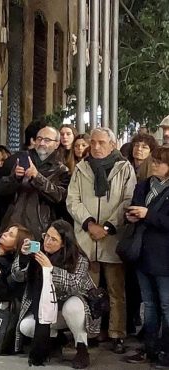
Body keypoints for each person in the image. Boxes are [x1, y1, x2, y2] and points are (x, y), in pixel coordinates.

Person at [66, 127, 136, 354]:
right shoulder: (81, 168)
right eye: (93, 142)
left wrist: (106, 227)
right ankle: (91, 332)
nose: (96, 147)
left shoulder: (124, 168)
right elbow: (72, 200)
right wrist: (89, 224)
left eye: (101, 143)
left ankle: (117, 333)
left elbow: (128, 200)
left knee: (116, 290)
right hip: (87, 237)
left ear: (113, 144)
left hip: (112, 237)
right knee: (89, 289)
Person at [12, 220, 98, 369]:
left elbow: (74, 285)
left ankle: (82, 347)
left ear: (64, 243)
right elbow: (17, 276)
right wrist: (23, 256)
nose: (47, 241)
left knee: (73, 307)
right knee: (26, 326)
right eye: (47, 236)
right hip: (47, 310)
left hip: (72, 307)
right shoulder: (37, 254)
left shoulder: (79, 259)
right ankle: (56, 341)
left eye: (54, 239)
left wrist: (50, 269)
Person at [124, 147, 169, 367]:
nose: (155, 165)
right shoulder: (143, 185)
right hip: (142, 252)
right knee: (149, 305)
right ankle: (150, 348)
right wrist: (131, 216)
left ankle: (166, 351)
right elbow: (134, 207)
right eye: (154, 161)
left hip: (164, 257)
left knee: (166, 306)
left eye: (160, 162)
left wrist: (148, 214)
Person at [0, 126, 71, 239]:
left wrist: (37, 177)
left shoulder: (61, 170)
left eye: (47, 140)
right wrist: (15, 178)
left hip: (40, 229)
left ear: (56, 144)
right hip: (13, 226)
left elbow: (60, 197)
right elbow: (0, 191)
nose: (41, 143)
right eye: (39, 139)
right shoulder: (22, 160)